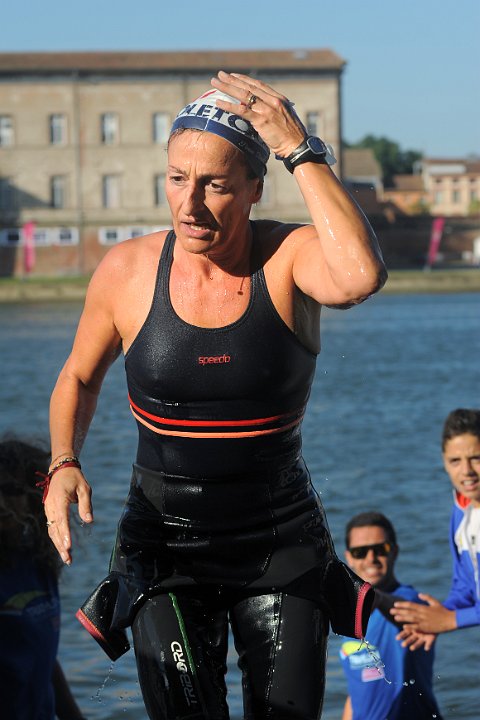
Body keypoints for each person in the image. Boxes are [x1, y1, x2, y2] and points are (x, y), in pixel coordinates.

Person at [43, 70, 386, 719]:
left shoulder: (287, 257)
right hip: (164, 548)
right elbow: (79, 378)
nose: (190, 204)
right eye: (178, 178)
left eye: (216, 185)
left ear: (256, 188)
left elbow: (361, 275)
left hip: (279, 544)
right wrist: (64, 461)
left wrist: (300, 148)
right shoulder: (127, 270)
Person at [0, 436, 85, 720]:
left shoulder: (39, 562)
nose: (2, 502)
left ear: (35, 498)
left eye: (10, 490)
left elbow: (43, 654)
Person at [339, 511, 443, 720]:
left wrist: (377, 598)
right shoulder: (353, 612)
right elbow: (357, 691)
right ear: (349, 557)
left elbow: (407, 612)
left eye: (380, 550)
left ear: (394, 552)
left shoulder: (413, 601)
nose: (371, 559)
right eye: (360, 552)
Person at [392, 408, 480, 645]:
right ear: (444, 462)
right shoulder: (461, 511)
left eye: (476, 458)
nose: (467, 471)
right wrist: (435, 617)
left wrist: (452, 619)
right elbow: (465, 586)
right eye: (455, 461)